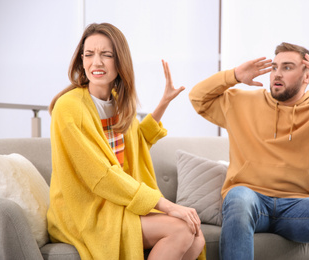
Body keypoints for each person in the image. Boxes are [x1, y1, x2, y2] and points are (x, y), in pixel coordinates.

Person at [189, 42, 309, 260]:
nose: (277, 74)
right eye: (274, 67)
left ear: (307, 75)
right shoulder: (241, 102)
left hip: (298, 207)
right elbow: (197, 97)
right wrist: (235, 75)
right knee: (238, 198)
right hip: (251, 199)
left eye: (287, 67)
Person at [47, 23, 205, 260]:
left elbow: (133, 147)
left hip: (119, 203)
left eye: (106, 55)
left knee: (197, 238)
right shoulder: (69, 107)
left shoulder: (117, 102)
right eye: (89, 54)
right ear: (81, 60)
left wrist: (163, 103)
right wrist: (167, 205)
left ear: (119, 62)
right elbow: (100, 174)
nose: (96, 62)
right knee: (182, 230)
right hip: (87, 209)